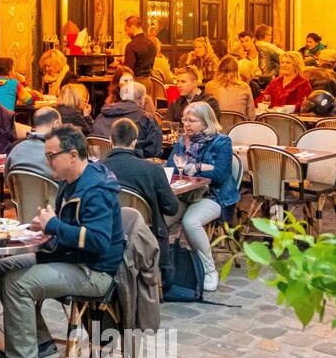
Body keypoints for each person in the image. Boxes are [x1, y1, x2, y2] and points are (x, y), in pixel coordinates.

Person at [0, 124, 125, 358]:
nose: (47, 160)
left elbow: (97, 241)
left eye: (52, 156)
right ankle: (40, 345)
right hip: (71, 257)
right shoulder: (73, 182)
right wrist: (47, 227)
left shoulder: (94, 189)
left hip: (93, 271)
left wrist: (54, 226)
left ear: (73, 155)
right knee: (2, 267)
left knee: (18, 284)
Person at [166, 101, 238, 292]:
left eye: (192, 121)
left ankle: (209, 270)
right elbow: (170, 167)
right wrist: (204, 168)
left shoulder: (222, 142)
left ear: (206, 122)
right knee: (161, 217)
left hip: (214, 194)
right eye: (184, 120)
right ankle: (163, 268)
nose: (186, 125)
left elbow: (220, 175)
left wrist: (196, 168)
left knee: (191, 221)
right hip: (186, 193)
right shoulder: (183, 141)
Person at [104, 117, 179, 286]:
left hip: (108, 233)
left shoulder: (98, 169)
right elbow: (172, 208)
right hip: (147, 236)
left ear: (110, 141)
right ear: (134, 142)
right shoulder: (152, 170)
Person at [93, 79, 162, 159]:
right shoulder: (146, 118)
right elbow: (154, 152)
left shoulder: (101, 116)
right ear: (142, 100)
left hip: (102, 166)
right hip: (135, 167)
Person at [5, 107, 61, 178]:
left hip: (20, 188)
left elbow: (7, 180)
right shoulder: (59, 150)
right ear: (57, 124)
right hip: (51, 188)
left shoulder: (14, 148)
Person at [122, 16, 157, 82]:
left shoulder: (131, 46)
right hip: (149, 82)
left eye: (126, 30)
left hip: (135, 83)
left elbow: (128, 71)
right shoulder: (152, 44)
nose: (126, 33)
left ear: (132, 28)